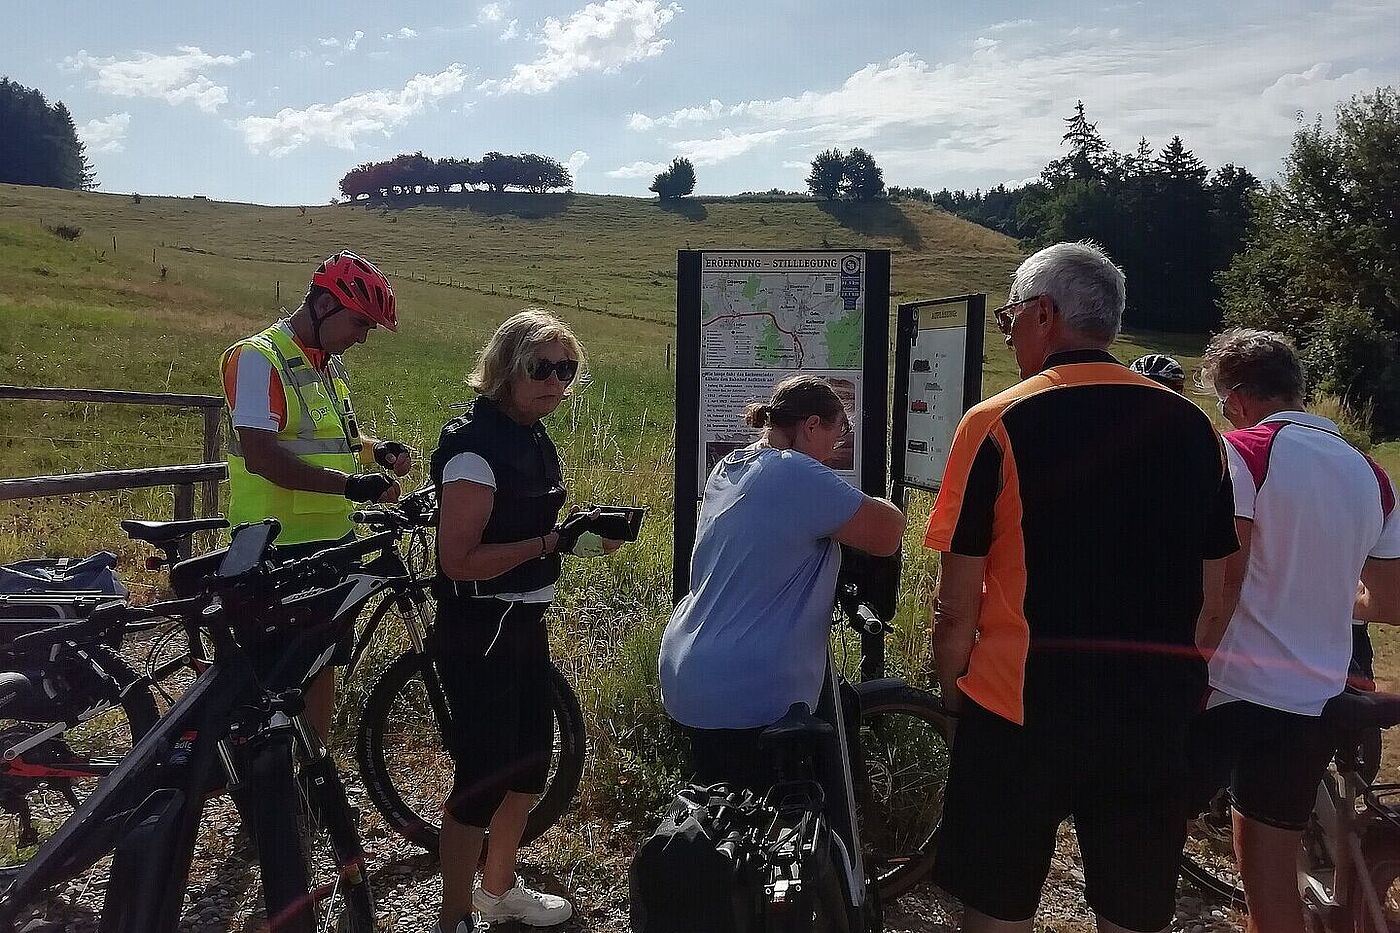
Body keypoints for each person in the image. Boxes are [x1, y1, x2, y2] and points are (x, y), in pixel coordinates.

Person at [925, 241, 1238, 933]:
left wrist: (954, 697)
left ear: (1045, 314)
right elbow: (1216, 599)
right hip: (1150, 708)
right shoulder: (1195, 427)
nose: (1007, 337)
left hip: (1018, 707)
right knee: (1132, 909)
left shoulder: (995, 421)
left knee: (998, 907)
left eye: (1009, 321)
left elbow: (955, 607)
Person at [1190, 328, 1400, 933]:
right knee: (1272, 882)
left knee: (1144, 833)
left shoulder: (1241, 450)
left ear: (1234, 398)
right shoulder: (1370, 472)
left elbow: (1226, 576)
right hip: (1316, 694)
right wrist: (1323, 595)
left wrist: (1192, 660)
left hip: (1234, 688)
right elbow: (1387, 602)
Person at [429, 309, 624, 932]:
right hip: (479, 626)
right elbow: (458, 562)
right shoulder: (473, 447)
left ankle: (498, 889)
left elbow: (531, 528)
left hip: (522, 621)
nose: (557, 382)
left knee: (530, 769)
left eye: (567, 369)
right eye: (543, 368)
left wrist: (577, 538)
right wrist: (547, 544)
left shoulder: (532, 435)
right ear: (507, 369)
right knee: (481, 782)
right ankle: (454, 914)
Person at [659, 374, 904, 793]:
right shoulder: (794, 473)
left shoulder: (731, 464)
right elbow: (888, 534)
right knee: (768, 833)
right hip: (748, 687)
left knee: (723, 823)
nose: (837, 448)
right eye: (838, 431)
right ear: (811, 426)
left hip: (691, 670)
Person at [220, 250, 411, 740]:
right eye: (360, 322)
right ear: (325, 305)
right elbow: (262, 455)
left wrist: (376, 452)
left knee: (322, 665)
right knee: (269, 685)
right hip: (275, 548)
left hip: (330, 542)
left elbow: (335, 442)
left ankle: (313, 778)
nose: (363, 337)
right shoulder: (258, 359)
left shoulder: (326, 365)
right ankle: (262, 800)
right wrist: (350, 485)